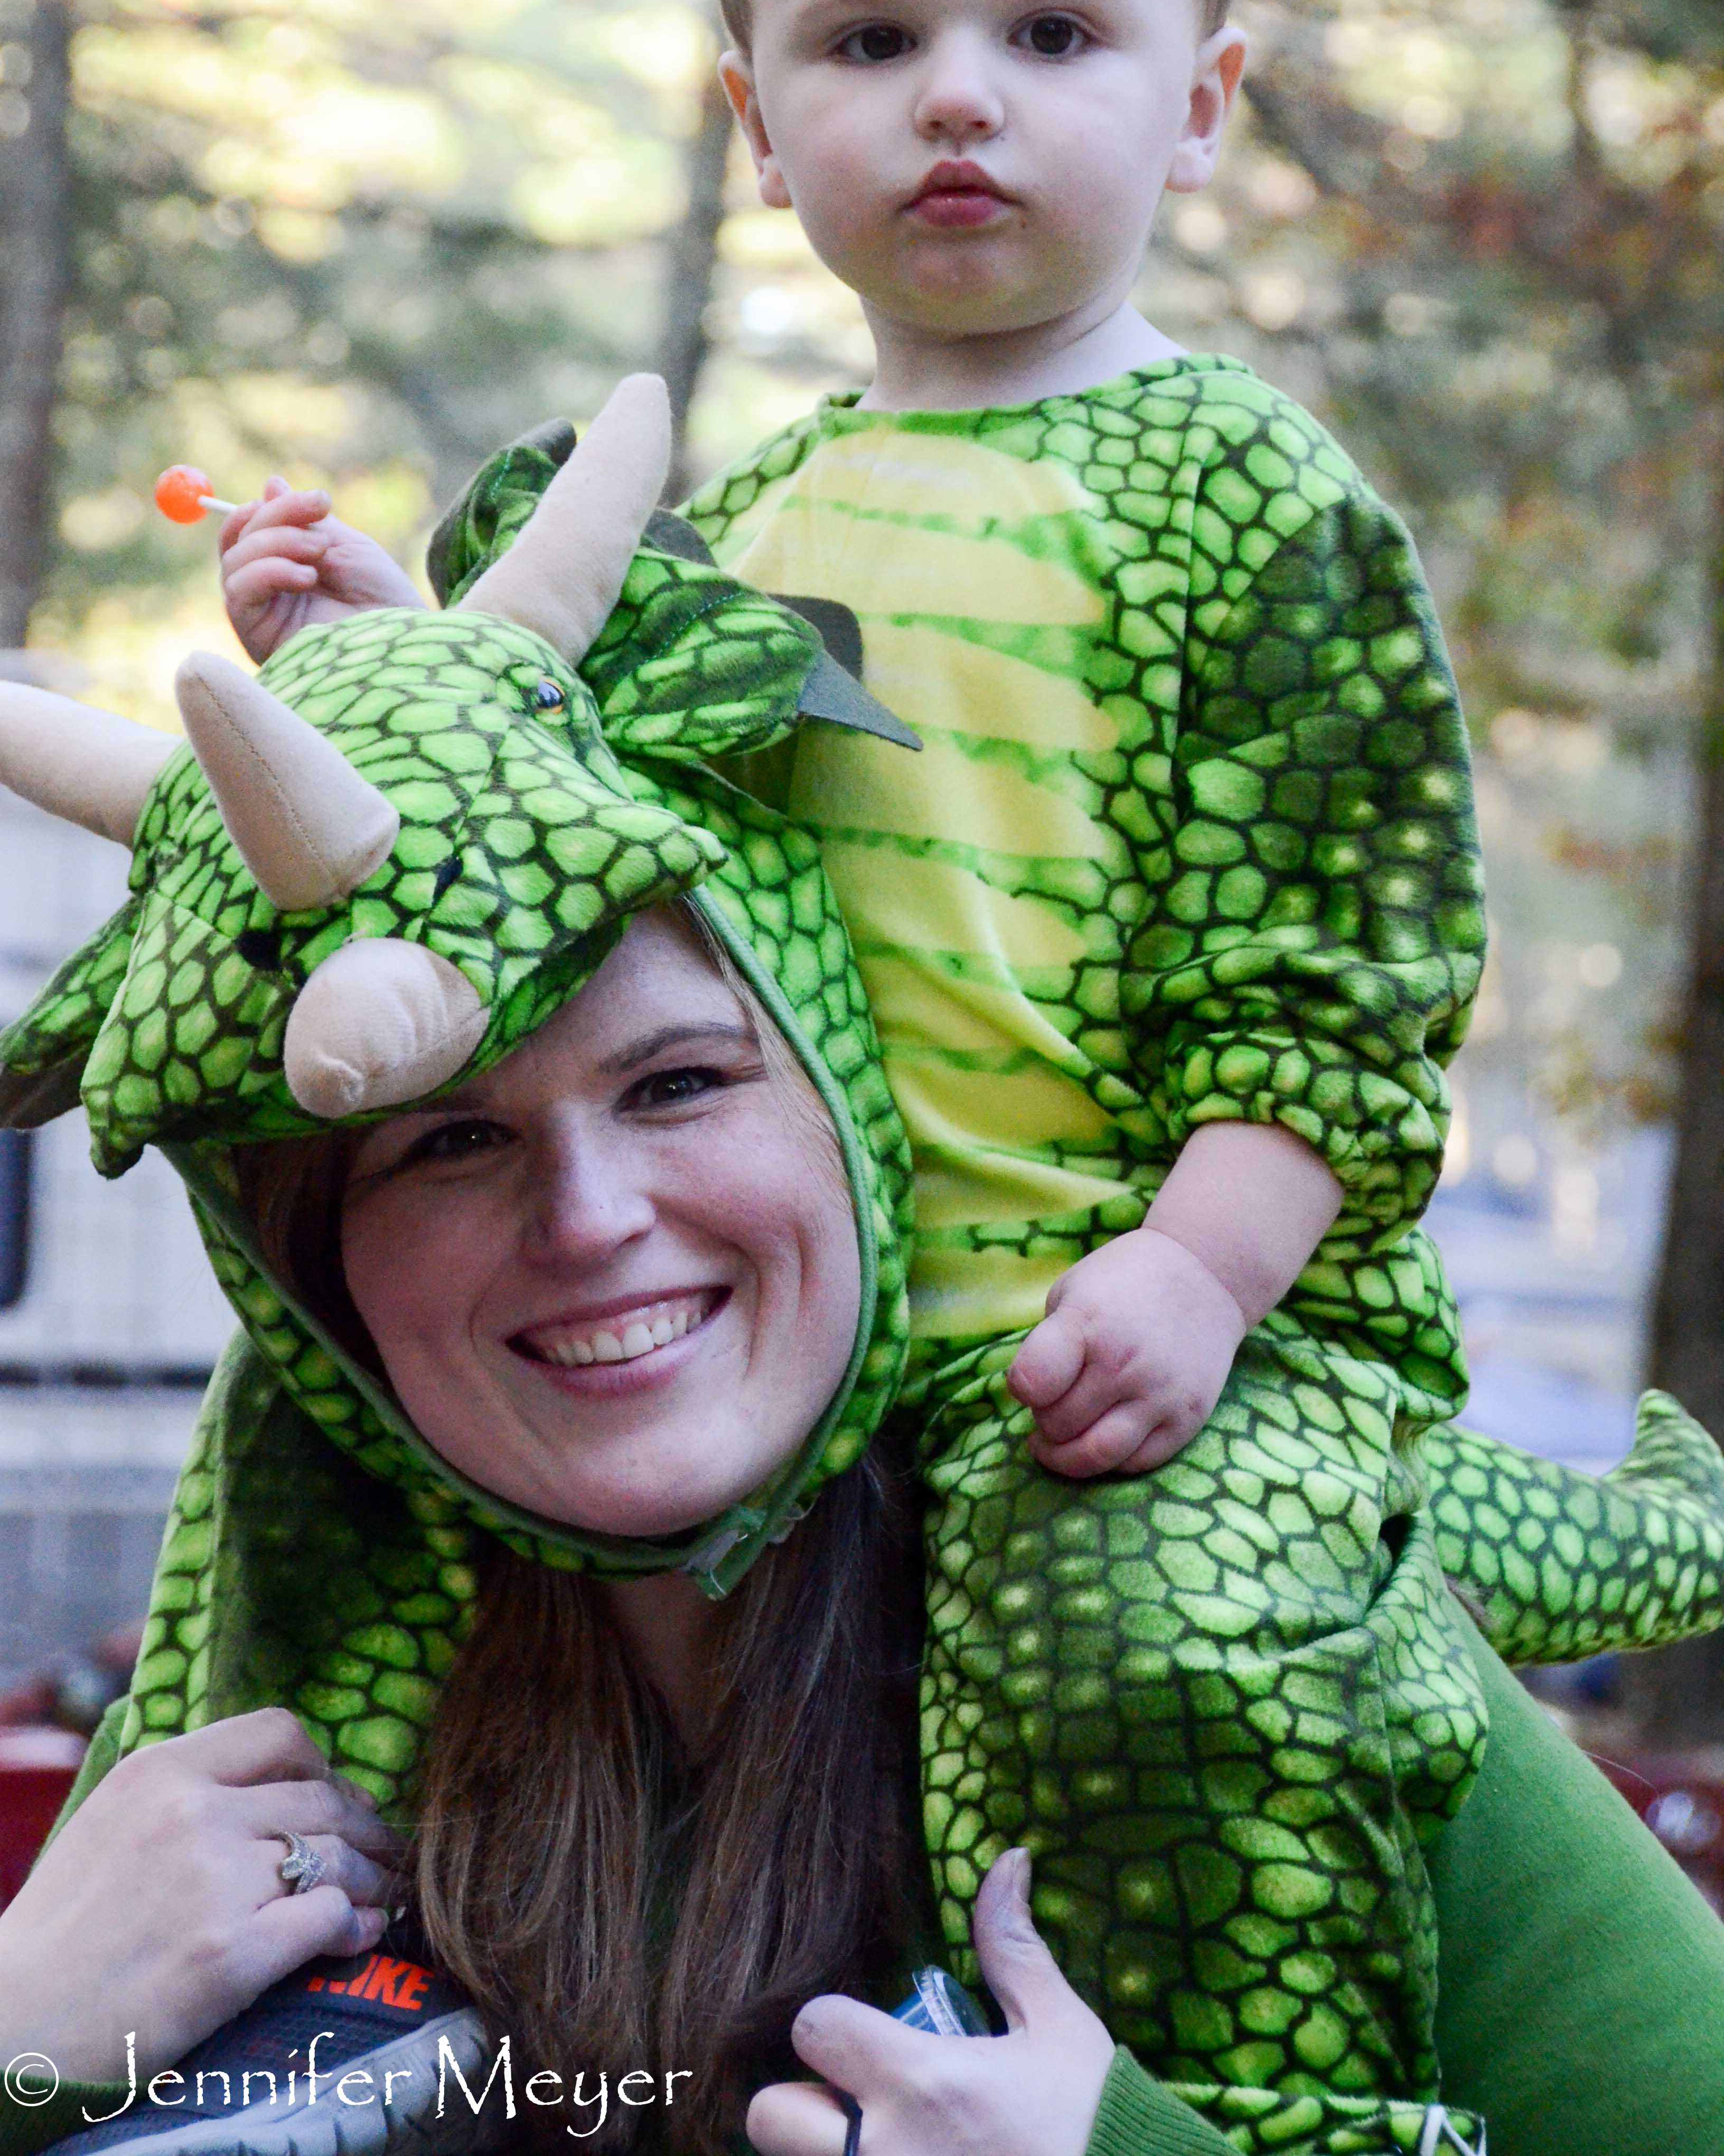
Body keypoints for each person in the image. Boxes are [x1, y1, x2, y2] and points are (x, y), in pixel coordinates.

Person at [0, 413, 1722, 2155]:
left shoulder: (1237, 1640)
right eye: (451, 1145)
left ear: (852, 1106)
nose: (593, 1219)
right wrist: (16, 2040)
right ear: (316, 1270)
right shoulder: (254, 1756)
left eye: (680, 1085)